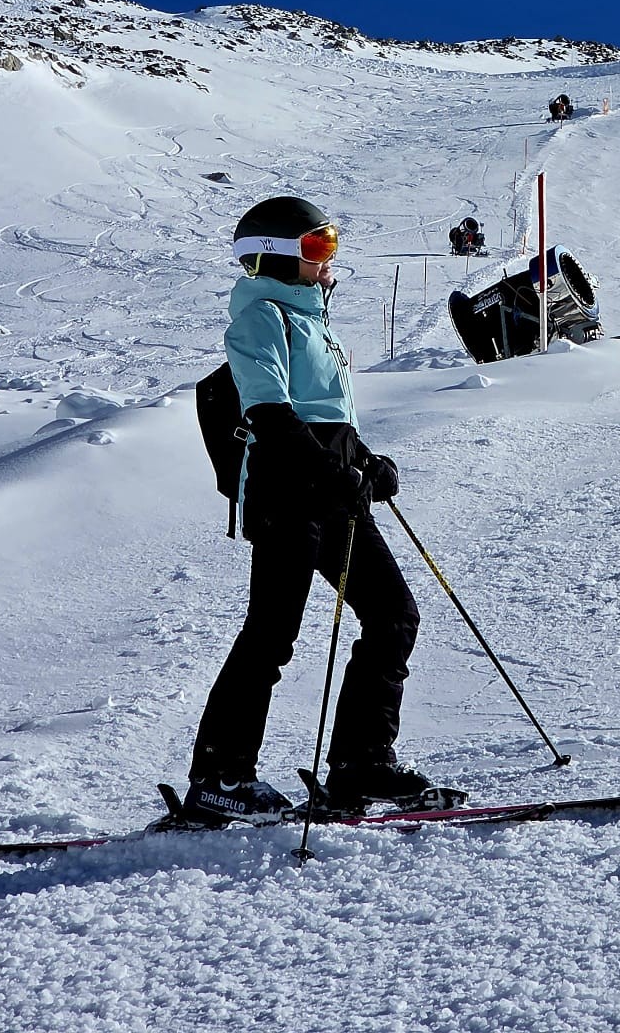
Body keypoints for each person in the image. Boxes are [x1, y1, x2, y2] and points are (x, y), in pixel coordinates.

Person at [185, 196, 430, 822]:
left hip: (335, 491)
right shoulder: (260, 318)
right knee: (272, 634)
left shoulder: (316, 324)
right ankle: (219, 778)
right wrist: (331, 472)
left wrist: (367, 462)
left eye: (331, 244)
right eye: (317, 246)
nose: (329, 259)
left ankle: (361, 764)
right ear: (273, 256)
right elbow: (269, 414)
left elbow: (327, 416)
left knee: (393, 616)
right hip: (288, 495)